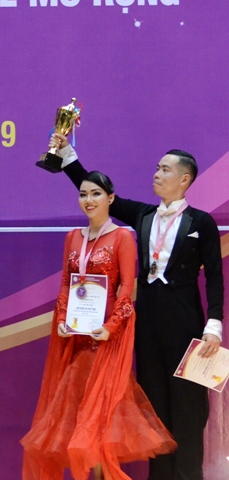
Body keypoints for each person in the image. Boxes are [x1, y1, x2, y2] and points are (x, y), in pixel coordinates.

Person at [50, 135, 223, 480]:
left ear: (184, 179)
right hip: (146, 328)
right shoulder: (143, 215)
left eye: (164, 169)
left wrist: (213, 327)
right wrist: (67, 155)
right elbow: (98, 194)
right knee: (154, 410)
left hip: (188, 328)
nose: (156, 174)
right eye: (157, 168)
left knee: (188, 410)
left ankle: (189, 475)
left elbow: (215, 278)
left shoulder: (201, 222)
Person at [22, 171, 176, 480]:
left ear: (110, 198)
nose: (88, 200)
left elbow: (125, 288)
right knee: (78, 422)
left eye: (95, 193)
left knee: (99, 422)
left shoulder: (121, 237)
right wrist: (64, 318)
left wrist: (111, 327)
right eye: (83, 194)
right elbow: (66, 284)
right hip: (76, 341)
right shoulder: (72, 237)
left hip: (105, 341)